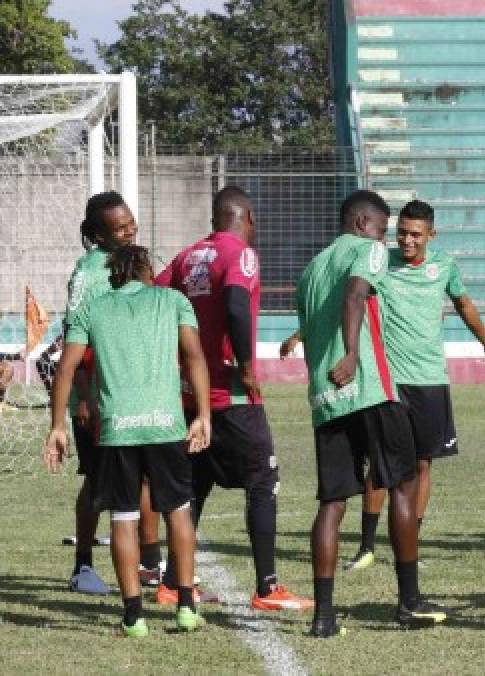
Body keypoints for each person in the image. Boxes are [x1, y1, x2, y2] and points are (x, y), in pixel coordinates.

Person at [295, 190, 446, 638]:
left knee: (332, 502)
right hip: (370, 389)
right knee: (403, 483)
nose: (388, 238)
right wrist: (351, 354)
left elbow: (309, 328)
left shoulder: (310, 269)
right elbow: (357, 293)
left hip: (326, 398)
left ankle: (324, 617)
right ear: (363, 223)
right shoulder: (369, 250)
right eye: (383, 228)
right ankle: (409, 602)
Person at [155, 186, 312, 610]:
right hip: (233, 394)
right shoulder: (240, 254)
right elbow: (238, 306)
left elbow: (154, 297)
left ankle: (173, 582)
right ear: (246, 218)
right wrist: (245, 366)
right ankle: (267, 587)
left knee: (194, 487)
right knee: (263, 480)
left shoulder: (188, 257)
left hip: (192, 396)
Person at [43, 244, 212, 636]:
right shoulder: (173, 300)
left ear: (112, 276)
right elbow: (195, 357)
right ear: (148, 271)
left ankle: (134, 616)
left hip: (118, 429)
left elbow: (65, 368)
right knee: (179, 511)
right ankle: (186, 606)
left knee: (123, 517)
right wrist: (203, 415)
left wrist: (57, 426)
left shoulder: (93, 309)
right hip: (165, 425)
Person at [342, 199, 485, 571]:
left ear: (431, 234)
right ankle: (366, 546)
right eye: (402, 233)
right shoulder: (380, 263)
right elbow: (350, 299)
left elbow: (464, 304)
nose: (407, 240)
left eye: (416, 234)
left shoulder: (444, 266)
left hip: (431, 380)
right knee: (382, 464)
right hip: (391, 381)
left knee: (422, 463)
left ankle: (408, 541)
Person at [59, 192, 161, 596]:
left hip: (133, 393)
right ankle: (83, 565)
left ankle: (150, 564)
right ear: (98, 235)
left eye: (131, 222)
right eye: (120, 227)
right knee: (99, 481)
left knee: (145, 477)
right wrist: (83, 396)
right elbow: (76, 342)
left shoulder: (136, 263)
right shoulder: (88, 274)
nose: (130, 230)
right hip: (98, 397)